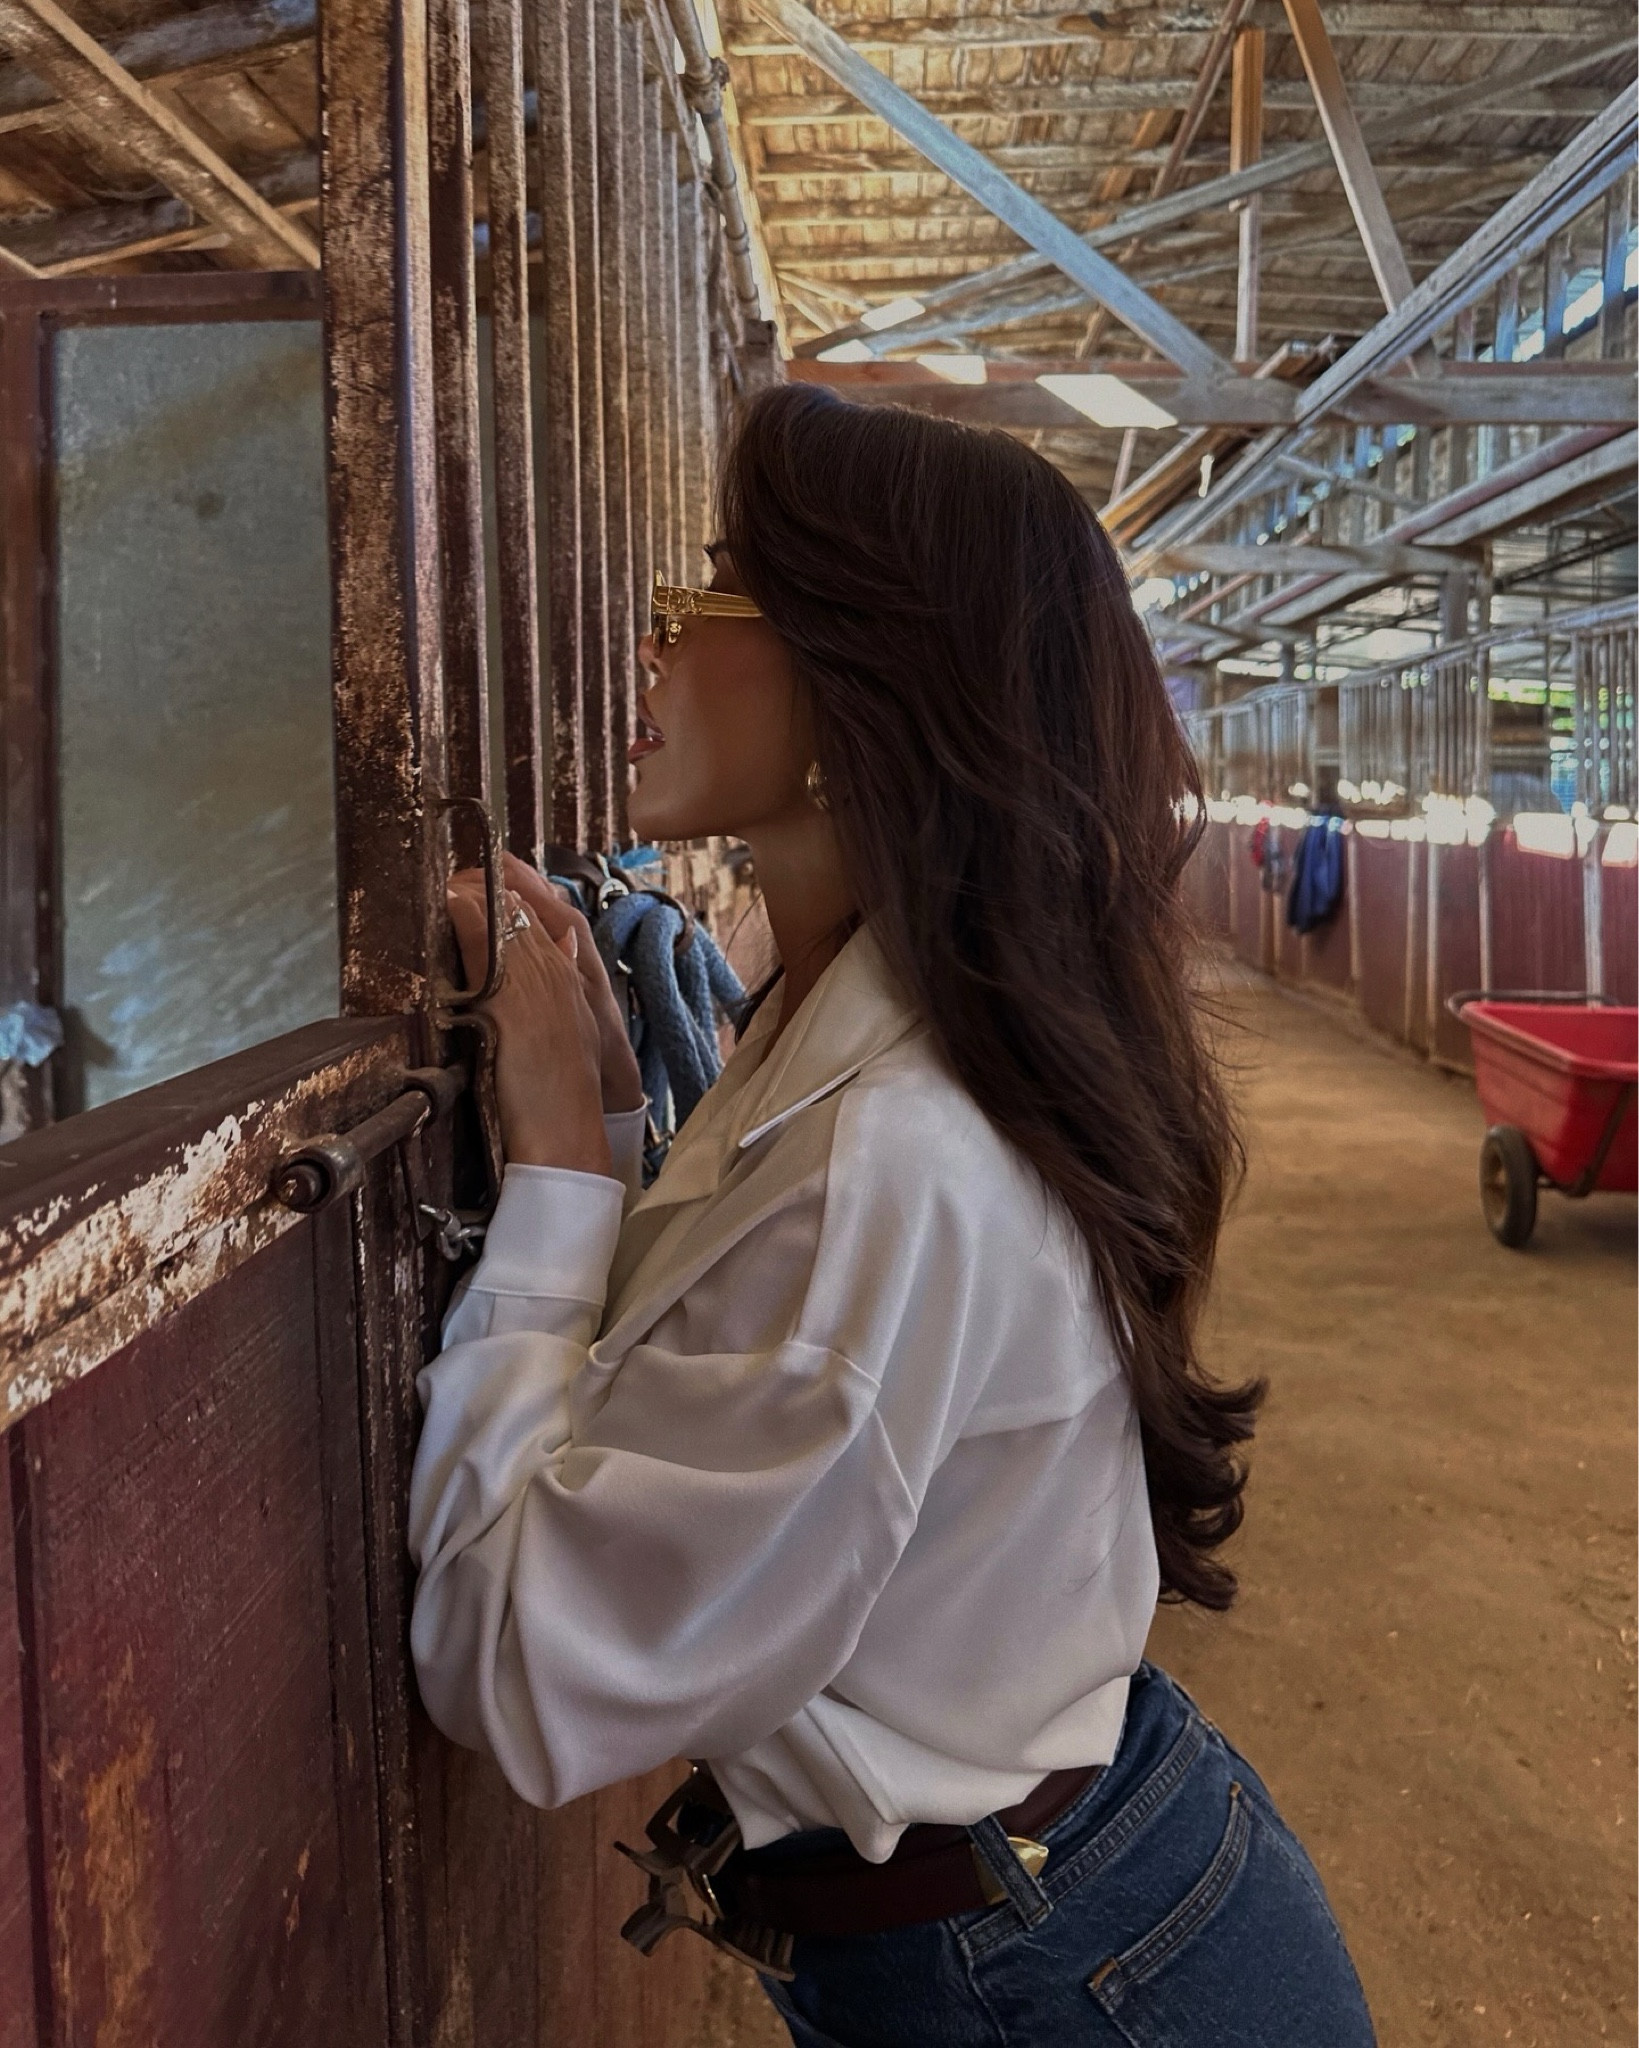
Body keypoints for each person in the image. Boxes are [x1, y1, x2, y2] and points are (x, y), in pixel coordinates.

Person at [410, 385, 1376, 2046]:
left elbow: (522, 1663)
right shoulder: (862, 1022)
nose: (659, 633)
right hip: (1089, 1901)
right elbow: (732, 1339)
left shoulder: (894, 1147)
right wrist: (625, 1121)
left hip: (1053, 1987)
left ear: (870, 670)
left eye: (721, 582)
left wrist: (565, 1174)